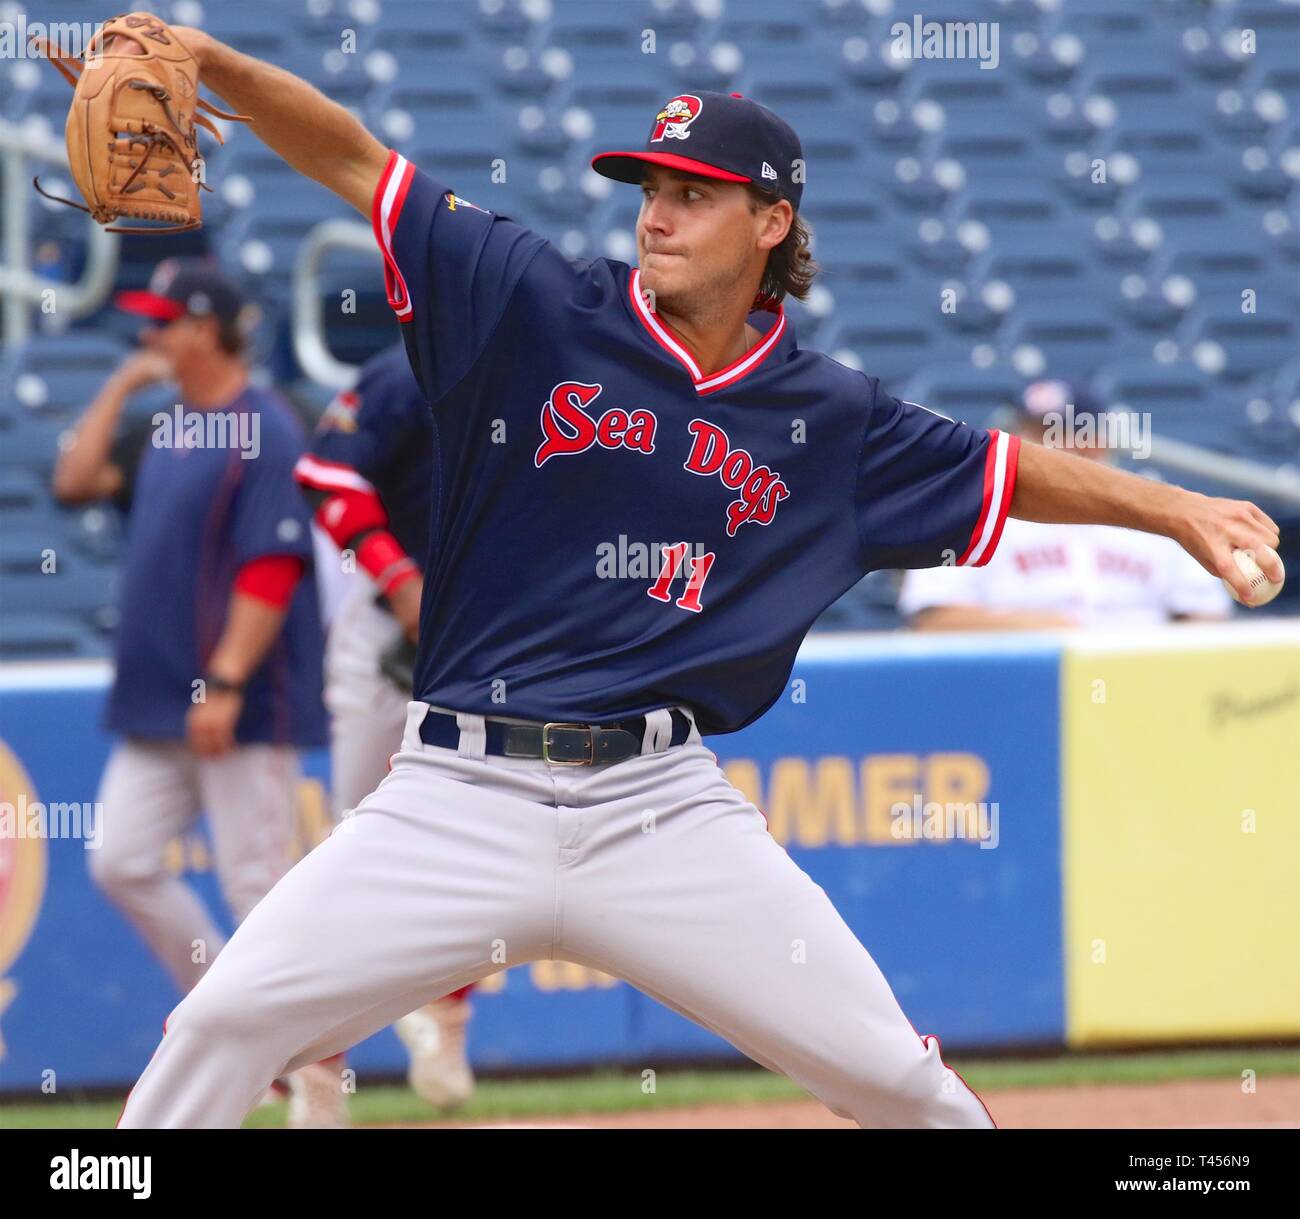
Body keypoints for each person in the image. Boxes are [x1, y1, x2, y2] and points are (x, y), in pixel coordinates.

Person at [112, 31, 1281, 1129]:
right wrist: (213, 62)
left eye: (693, 193)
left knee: (896, 1077)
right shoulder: (530, 301)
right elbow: (357, 158)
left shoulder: (830, 418)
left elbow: (1002, 468)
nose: (657, 216)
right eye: (650, 191)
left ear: (771, 220)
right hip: (452, 798)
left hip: (658, 811)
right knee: (219, 1023)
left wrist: (1174, 508)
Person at [53, 258, 341, 1128]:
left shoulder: (267, 425)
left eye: (164, 322)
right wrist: (119, 384)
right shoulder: (168, 424)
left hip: (236, 704)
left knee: (260, 888)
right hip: (156, 703)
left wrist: (225, 679)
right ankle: (239, 1031)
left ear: (207, 330)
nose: (149, 336)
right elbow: (73, 481)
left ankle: (316, 1075)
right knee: (121, 859)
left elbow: (272, 560)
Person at [294, 343, 475, 1109]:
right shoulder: (406, 372)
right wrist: (399, 577)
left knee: (476, 843)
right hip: (389, 628)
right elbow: (327, 477)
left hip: (485, 635)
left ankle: (448, 1013)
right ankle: (320, 1067)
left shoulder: (549, 371)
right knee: (353, 852)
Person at [899, 381, 1234, 630]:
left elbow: (1205, 620)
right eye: (1033, 432)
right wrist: (1042, 632)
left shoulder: (1157, 507)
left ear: (1098, 443)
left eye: (1059, 433)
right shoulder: (969, 509)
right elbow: (933, 620)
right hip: (1020, 683)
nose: (1040, 447)